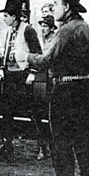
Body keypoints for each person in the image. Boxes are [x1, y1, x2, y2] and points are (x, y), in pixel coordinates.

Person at [23, 0, 89, 176]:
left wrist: (25, 56)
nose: (52, 9)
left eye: (56, 4)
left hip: (64, 94)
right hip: (85, 92)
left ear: (66, 6)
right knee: (84, 147)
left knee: (62, 147)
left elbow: (46, 60)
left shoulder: (65, 31)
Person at [0, 0, 42, 156]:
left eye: (7, 15)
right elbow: (6, 52)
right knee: (6, 110)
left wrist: (33, 72)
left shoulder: (28, 30)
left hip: (23, 75)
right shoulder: (9, 31)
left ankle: (43, 147)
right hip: (9, 76)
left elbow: (37, 53)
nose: (4, 18)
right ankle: (7, 144)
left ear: (14, 17)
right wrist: (2, 68)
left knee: (32, 110)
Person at [35, 14, 57, 161]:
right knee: (38, 113)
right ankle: (41, 147)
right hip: (39, 80)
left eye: (46, 26)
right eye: (42, 26)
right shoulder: (39, 40)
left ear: (52, 28)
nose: (43, 29)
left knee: (51, 115)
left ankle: (53, 148)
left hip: (51, 80)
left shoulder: (55, 40)